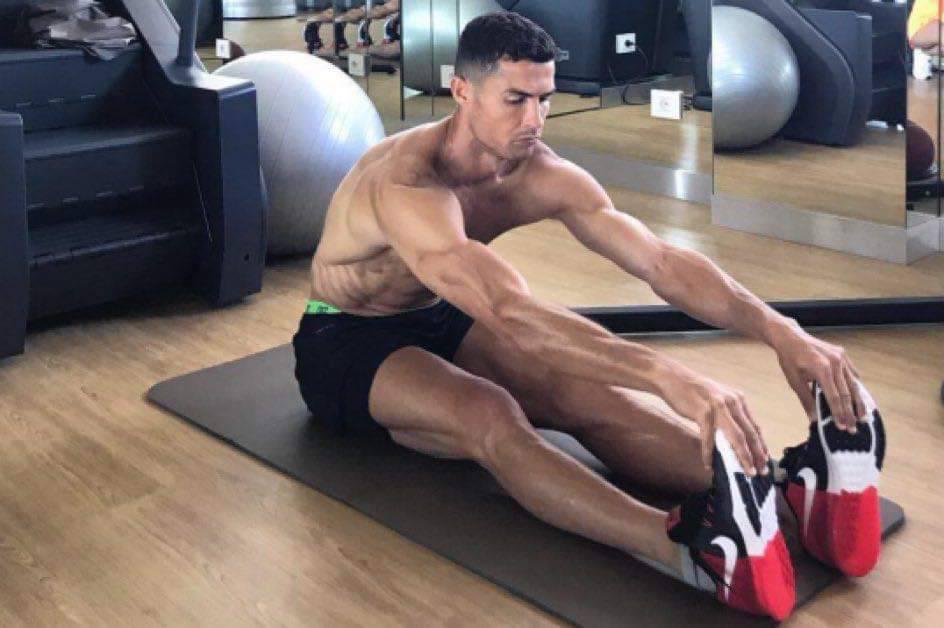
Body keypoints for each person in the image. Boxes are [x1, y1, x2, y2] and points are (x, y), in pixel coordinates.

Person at [293, 12, 885, 620]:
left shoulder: (538, 171)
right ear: (462, 90)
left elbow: (659, 260)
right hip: (347, 337)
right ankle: (692, 551)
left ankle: (787, 494)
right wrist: (666, 375)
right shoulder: (406, 182)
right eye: (516, 99)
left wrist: (780, 330)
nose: (534, 120)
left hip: (441, 312)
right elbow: (509, 311)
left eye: (545, 99)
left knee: (582, 394)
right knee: (489, 413)